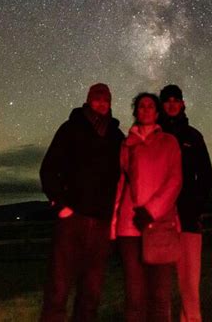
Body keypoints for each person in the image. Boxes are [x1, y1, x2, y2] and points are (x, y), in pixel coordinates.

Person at [39, 83, 124, 322]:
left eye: (105, 99)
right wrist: (60, 204)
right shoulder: (70, 129)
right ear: (88, 100)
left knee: (92, 291)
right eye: (97, 98)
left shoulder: (116, 136)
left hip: (101, 222)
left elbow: (124, 174)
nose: (101, 103)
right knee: (59, 285)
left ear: (110, 102)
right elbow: (49, 169)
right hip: (72, 218)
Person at [113, 92, 182, 322]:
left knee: (160, 296)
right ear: (135, 111)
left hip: (159, 225)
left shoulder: (169, 142)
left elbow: (175, 180)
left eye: (150, 106)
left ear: (157, 111)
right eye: (141, 106)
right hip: (129, 227)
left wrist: (151, 210)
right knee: (134, 298)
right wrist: (114, 225)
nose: (145, 109)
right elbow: (121, 183)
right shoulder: (126, 145)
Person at [159, 84, 212, 322]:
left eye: (175, 99)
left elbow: (206, 174)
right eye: (167, 100)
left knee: (189, 285)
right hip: (159, 219)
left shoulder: (193, 136)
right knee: (160, 286)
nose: (171, 103)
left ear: (182, 104)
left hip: (188, 218)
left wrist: (196, 206)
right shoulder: (153, 135)